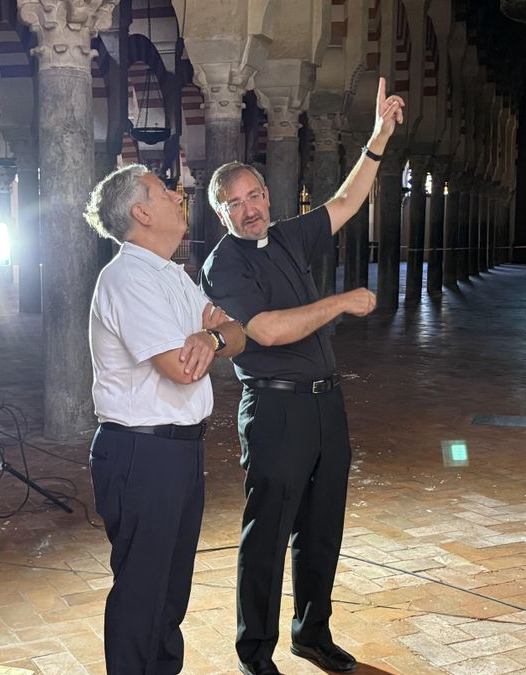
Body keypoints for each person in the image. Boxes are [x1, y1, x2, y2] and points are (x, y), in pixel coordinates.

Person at [200, 78, 405, 675]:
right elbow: (265, 330)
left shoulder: (287, 236)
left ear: (267, 195)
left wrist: (377, 139)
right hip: (276, 411)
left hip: (324, 406)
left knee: (321, 527)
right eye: (235, 203)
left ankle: (312, 634)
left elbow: (345, 202)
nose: (250, 208)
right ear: (220, 213)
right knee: (267, 535)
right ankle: (255, 652)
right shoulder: (223, 265)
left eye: (255, 195)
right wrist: (340, 303)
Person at [84, 164, 246, 674]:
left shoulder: (171, 274)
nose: (178, 196)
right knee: (142, 593)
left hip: (178, 449)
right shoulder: (128, 278)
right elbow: (181, 368)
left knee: (171, 591)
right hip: (141, 452)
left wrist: (211, 337)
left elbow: (237, 334)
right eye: (164, 191)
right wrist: (208, 340)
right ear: (141, 212)